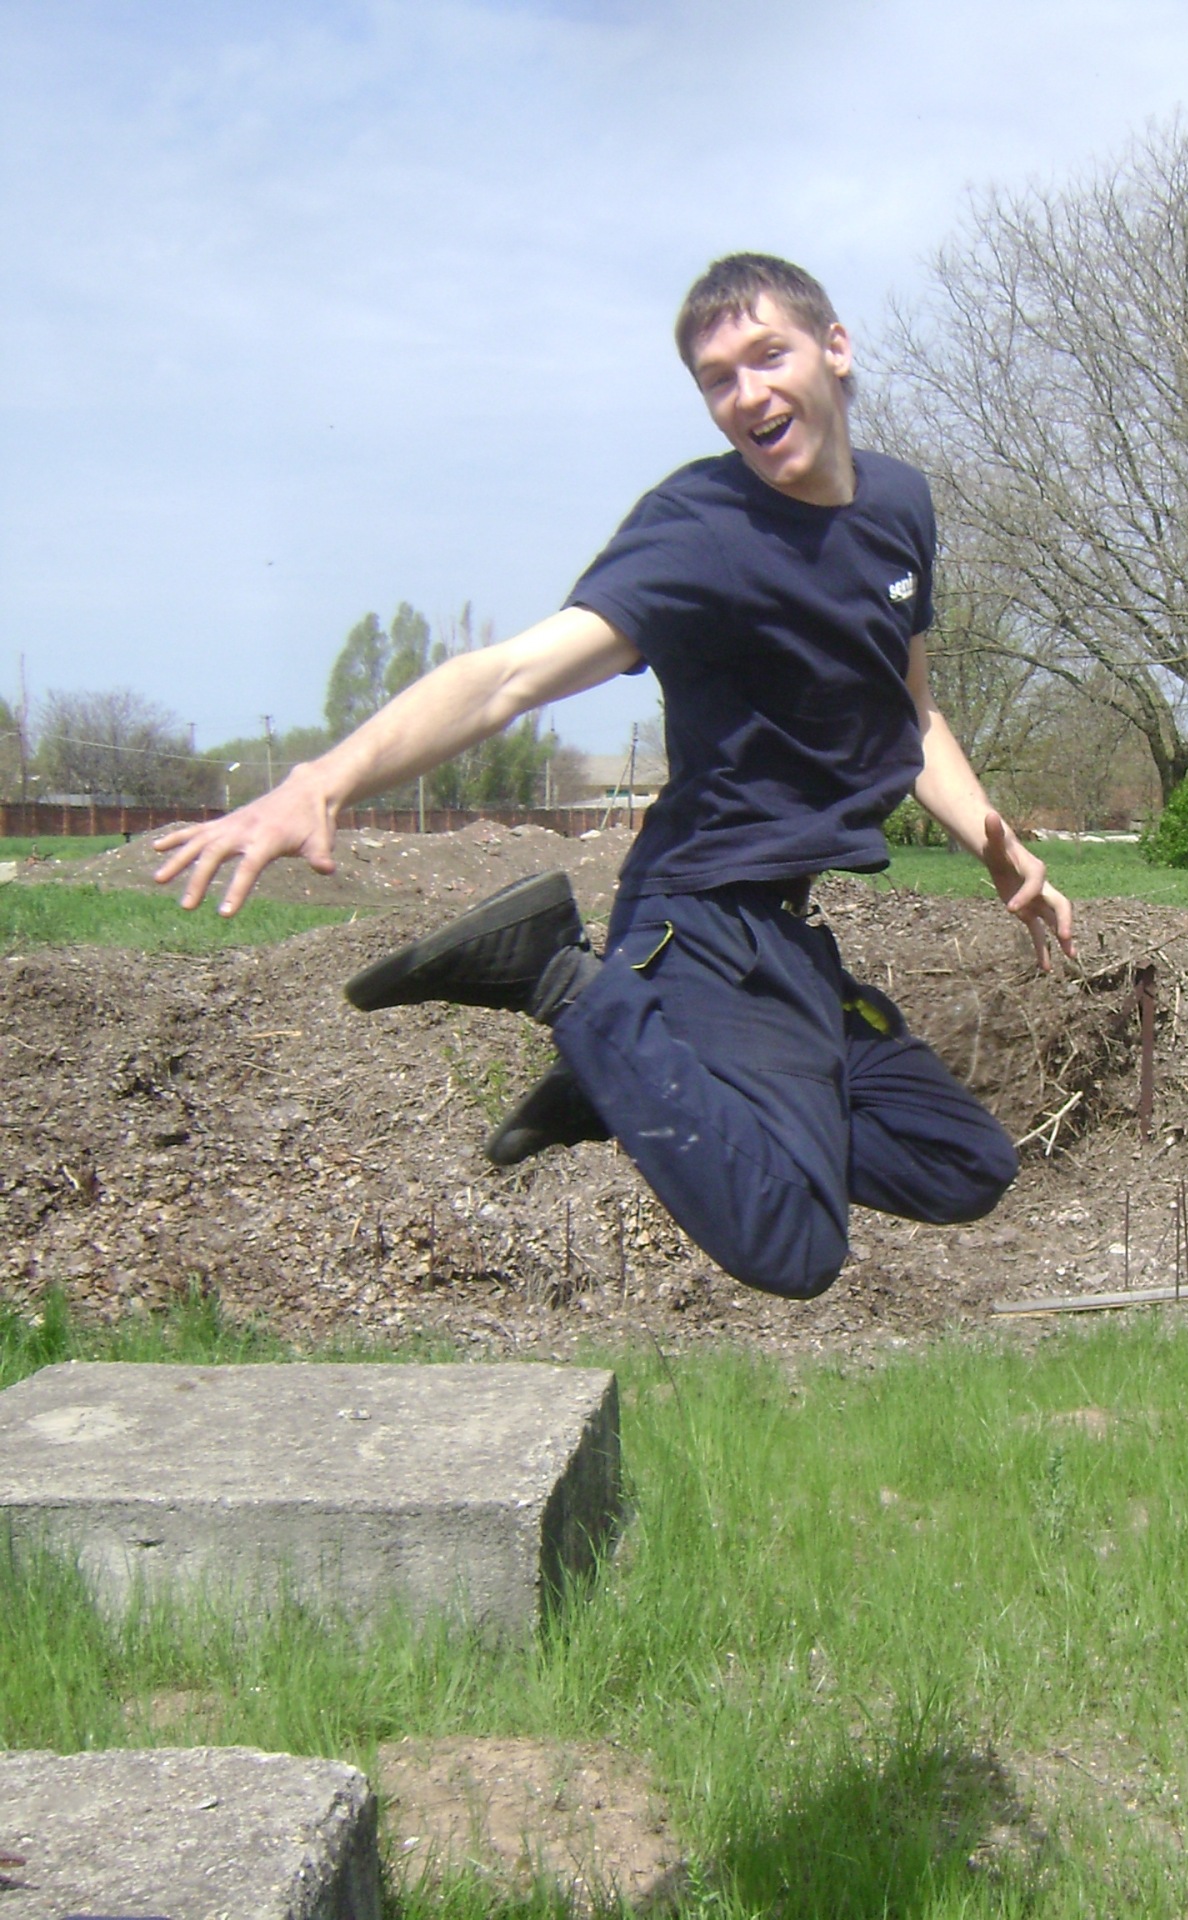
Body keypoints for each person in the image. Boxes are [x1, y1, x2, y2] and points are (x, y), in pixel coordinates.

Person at [152, 253, 1073, 1301]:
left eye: (767, 355)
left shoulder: (900, 504)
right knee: (795, 1244)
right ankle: (559, 977)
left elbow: (910, 709)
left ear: (834, 348)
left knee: (964, 1163)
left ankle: (635, 1074)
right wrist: (323, 780)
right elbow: (508, 678)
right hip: (697, 923)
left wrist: (995, 843)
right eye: (717, 379)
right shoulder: (701, 531)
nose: (748, 394)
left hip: (788, 939)